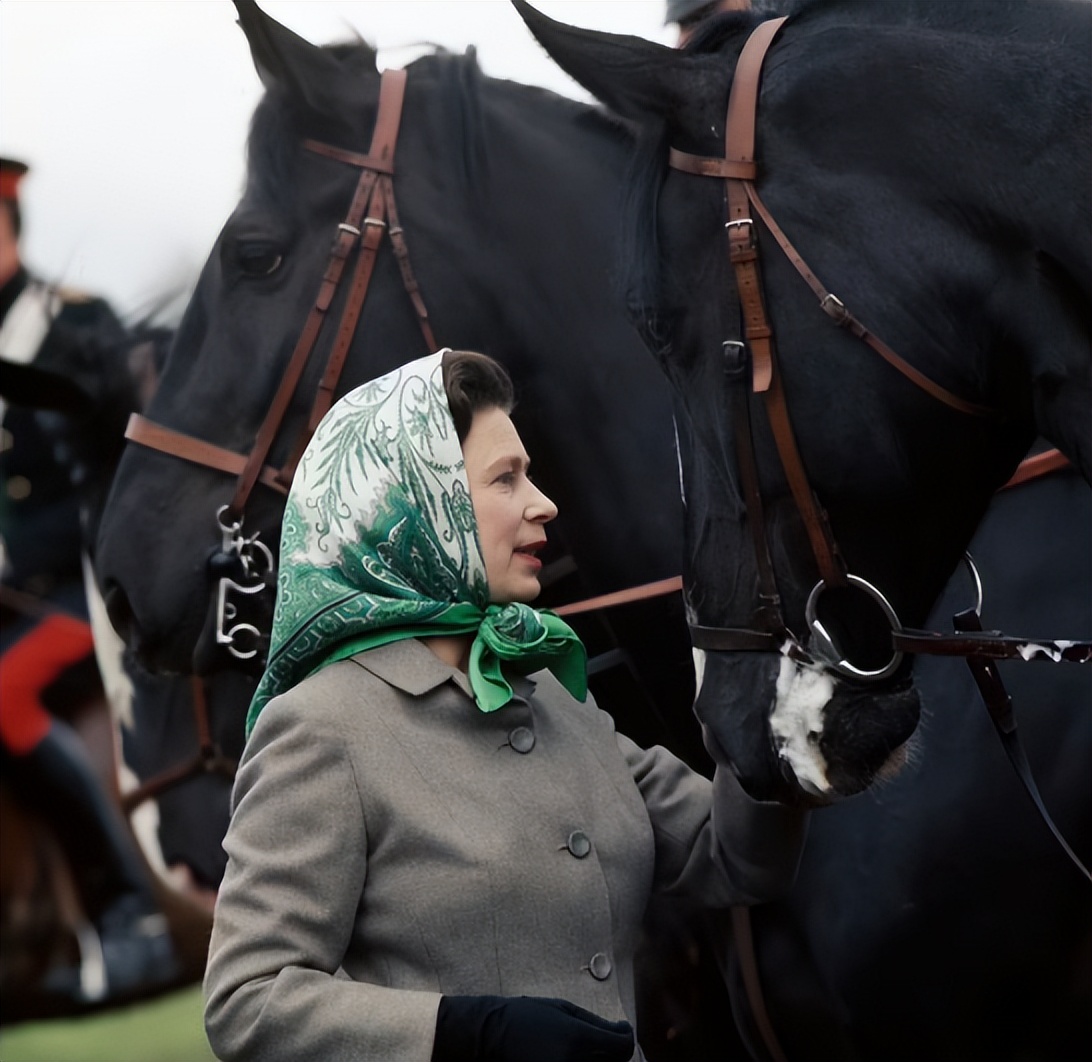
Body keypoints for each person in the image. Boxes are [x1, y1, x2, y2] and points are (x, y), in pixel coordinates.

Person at [203, 348, 808, 1062]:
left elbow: (734, 858)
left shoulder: (546, 691)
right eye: (505, 478)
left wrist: (782, 720)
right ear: (417, 505)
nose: (543, 501)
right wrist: (463, 1036)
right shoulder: (320, 728)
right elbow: (248, 999)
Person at [0, 155, 178, 1003]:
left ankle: (129, 917)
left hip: (82, 593)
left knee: (1, 696)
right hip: (12, 603)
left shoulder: (71, 328)